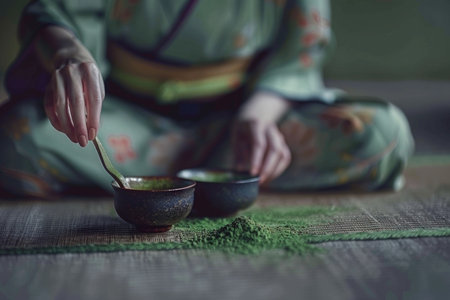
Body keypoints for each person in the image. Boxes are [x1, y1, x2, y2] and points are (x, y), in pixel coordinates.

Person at [0, 0, 413, 197]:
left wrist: (257, 118)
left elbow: (299, 52)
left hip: (235, 126)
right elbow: (55, 12)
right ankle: (215, 185)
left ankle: (179, 181)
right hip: (124, 121)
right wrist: (68, 54)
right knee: (16, 139)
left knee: (380, 135)